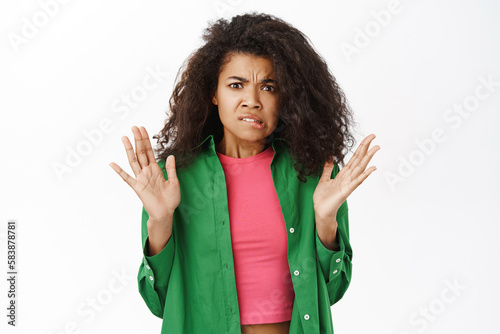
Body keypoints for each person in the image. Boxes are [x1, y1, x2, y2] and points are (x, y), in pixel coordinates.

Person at [109, 12, 379, 334]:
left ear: (286, 97)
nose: (251, 101)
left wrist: (325, 222)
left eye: (268, 87)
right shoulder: (175, 180)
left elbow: (331, 293)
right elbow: (159, 302)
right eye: (236, 85)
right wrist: (160, 222)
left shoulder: (312, 175)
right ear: (214, 93)